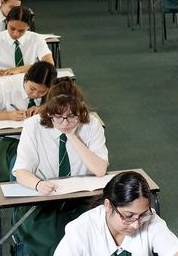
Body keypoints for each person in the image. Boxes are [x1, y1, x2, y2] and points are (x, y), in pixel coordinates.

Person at [12, 78, 109, 255]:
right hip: (42, 199)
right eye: (58, 116)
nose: (65, 122)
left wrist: (73, 136)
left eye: (71, 116)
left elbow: (100, 169)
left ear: (81, 111)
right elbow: (20, 171)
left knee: (91, 233)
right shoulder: (33, 126)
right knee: (52, 237)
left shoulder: (92, 125)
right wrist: (38, 184)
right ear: (48, 112)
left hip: (82, 199)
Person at [54, 171, 178, 256]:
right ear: (108, 205)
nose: (136, 225)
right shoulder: (80, 230)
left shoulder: (150, 219)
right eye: (128, 216)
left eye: (142, 215)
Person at [0, 61, 56, 182]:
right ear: (25, 79)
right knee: (19, 162)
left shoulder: (53, 89)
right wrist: (8, 115)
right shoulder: (4, 86)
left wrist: (43, 108)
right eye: (32, 88)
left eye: (42, 92)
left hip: (42, 138)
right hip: (11, 138)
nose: (35, 94)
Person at [0, 5, 53, 75]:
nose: (16, 34)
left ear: (28, 27)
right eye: (12, 28)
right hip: (2, 80)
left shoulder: (36, 39)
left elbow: (49, 64)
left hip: (30, 81)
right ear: (7, 22)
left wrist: (19, 69)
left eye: (21, 31)